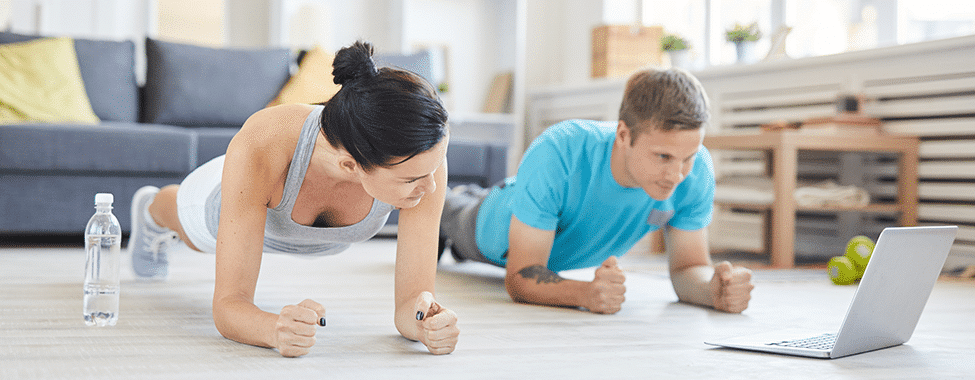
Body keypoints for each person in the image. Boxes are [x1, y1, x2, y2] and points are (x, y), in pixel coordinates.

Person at [128, 41, 459, 357]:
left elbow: (409, 306)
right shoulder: (265, 141)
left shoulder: (420, 159)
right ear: (350, 166)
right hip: (218, 200)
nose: (431, 187)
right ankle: (151, 210)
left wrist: (424, 323)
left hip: (288, 215)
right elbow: (229, 307)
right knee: (190, 231)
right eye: (412, 180)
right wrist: (274, 329)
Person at [440, 68, 754, 315]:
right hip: (489, 226)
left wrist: (712, 290)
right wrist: (585, 294)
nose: (677, 174)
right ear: (623, 134)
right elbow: (521, 276)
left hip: (554, 247)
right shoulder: (559, 149)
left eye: (688, 156)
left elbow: (688, 268)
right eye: (663, 157)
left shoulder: (696, 171)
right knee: (448, 210)